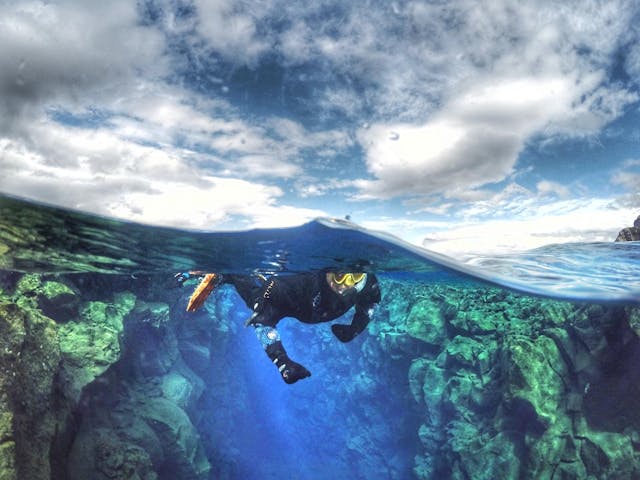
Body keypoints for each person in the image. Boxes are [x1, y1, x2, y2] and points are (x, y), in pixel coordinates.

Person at [175, 271, 381, 384]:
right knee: (258, 301)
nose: (346, 284)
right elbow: (262, 323)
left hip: (306, 307)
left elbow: (370, 303)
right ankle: (224, 274)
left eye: (354, 277)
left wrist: (355, 329)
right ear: (327, 270)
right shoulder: (295, 285)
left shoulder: (366, 282)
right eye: (339, 275)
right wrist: (282, 362)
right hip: (281, 291)